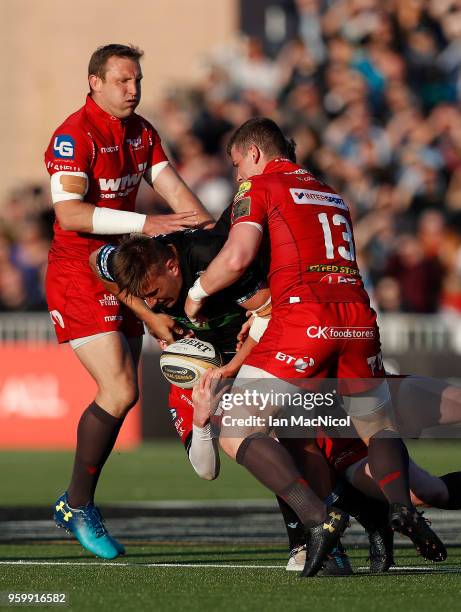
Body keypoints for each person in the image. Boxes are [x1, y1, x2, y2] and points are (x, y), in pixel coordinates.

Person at [184, 117, 446, 574]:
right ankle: (401, 507)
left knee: (237, 426)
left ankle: (317, 517)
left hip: (306, 318)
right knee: (377, 426)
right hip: (358, 317)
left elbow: (237, 255)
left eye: (236, 165)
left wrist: (198, 292)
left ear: (253, 153)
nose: (237, 176)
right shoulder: (330, 192)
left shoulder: (260, 186)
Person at [44, 43, 212, 560]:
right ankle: (77, 505)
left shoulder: (142, 133)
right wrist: (148, 223)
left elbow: (184, 204)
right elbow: (71, 216)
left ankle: (194, 420)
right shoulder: (74, 135)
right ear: (94, 81)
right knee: (119, 390)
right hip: (78, 272)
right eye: (122, 81)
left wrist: (220, 243)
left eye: (137, 79)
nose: (133, 90)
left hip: (126, 268)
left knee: (181, 341)